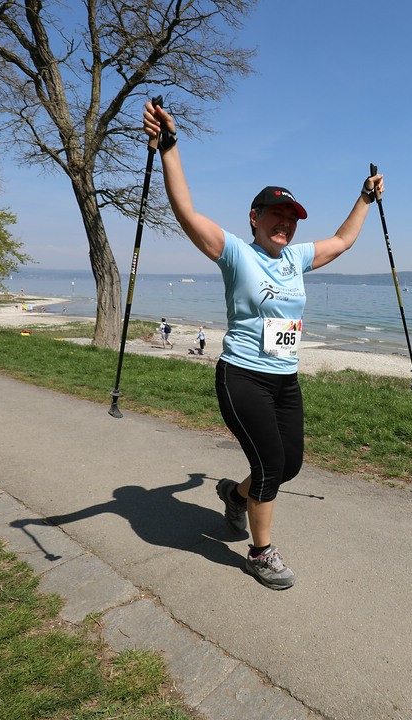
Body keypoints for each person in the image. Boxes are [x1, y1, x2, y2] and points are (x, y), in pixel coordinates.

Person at [144, 99, 384, 590]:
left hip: (284, 379)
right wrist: (170, 147)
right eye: (276, 214)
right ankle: (260, 552)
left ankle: (235, 496)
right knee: (269, 465)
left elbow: (341, 240)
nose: (285, 223)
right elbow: (185, 211)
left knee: (288, 464)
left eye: (291, 217)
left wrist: (364, 198)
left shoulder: (296, 258)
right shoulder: (235, 253)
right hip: (242, 375)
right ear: (254, 218)